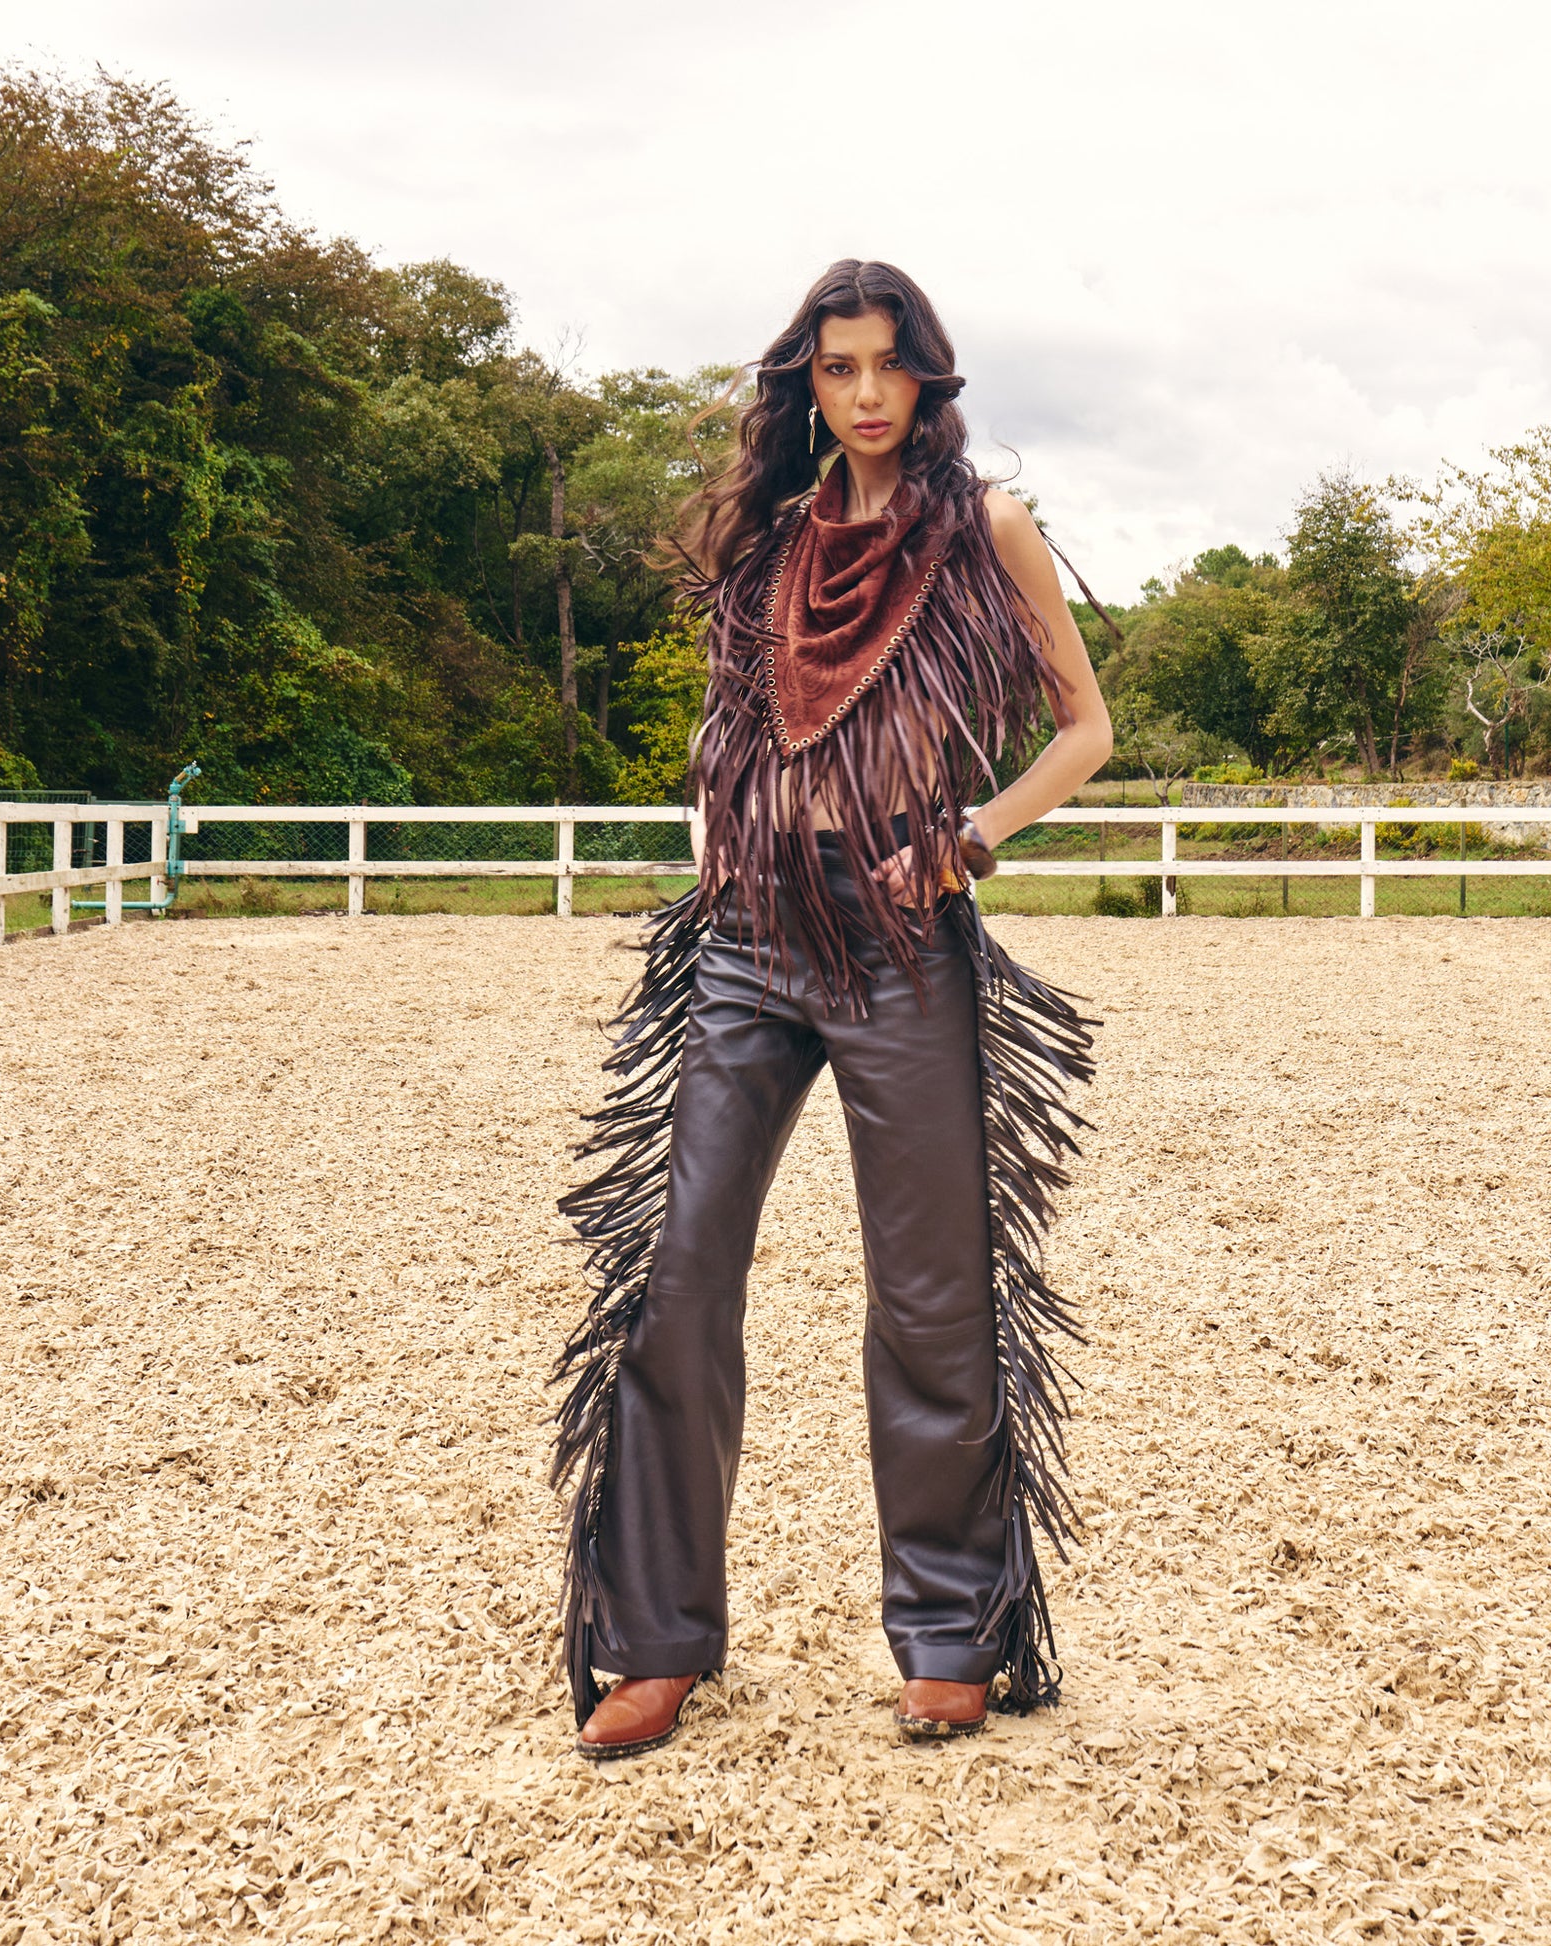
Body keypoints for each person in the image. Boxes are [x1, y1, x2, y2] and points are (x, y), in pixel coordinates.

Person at [552, 260, 1113, 1760]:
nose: (863, 394)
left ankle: (945, 1632)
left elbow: (1085, 726)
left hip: (895, 940)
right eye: (836, 368)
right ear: (806, 381)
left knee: (929, 1294)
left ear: (929, 378)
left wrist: (969, 841)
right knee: (676, 1276)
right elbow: (734, 706)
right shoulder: (773, 534)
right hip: (742, 936)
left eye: (888, 367)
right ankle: (656, 1638)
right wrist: (715, 819)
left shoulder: (985, 528)